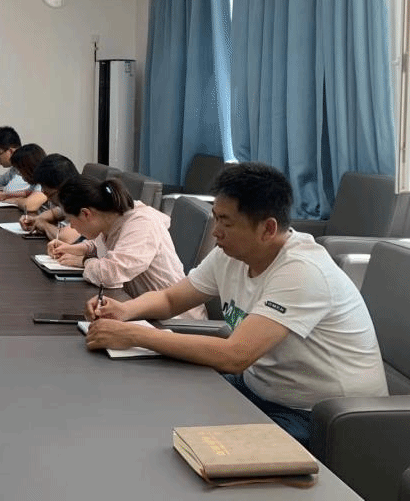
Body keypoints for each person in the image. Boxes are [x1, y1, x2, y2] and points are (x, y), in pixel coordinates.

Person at [83, 162, 387, 446]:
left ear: (267, 229)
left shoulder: (302, 271)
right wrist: (124, 310)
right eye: (215, 217)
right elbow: (170, 299)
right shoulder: (230, 254)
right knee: (160, 407)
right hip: (257, 389)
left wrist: (136, 335)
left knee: (198, 444)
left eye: (226, 222)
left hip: (319, 416)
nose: (215, 231)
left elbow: (235, 355)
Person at [52, 176, 202, 320]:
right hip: (141, 311)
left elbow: (110, 274)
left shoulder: (141, 224)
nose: (72, 226)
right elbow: (104, 245)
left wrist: (85, 261)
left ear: (86, 213)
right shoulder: (113, 219)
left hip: (174, 319)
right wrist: (79, 249)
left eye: (70, 220)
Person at [22, 153, 81, 243]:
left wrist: (44, 225)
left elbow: (66, 238)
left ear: (61, 188)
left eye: (49, 194)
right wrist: (36, 220)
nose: (48, 199)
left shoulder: (83, 201)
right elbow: (54, 213)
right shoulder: (70, 198)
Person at [0, 143, 47, 212]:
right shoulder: (37, 182)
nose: (21, 176)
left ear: (29, 168)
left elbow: (29, 205)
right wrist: (5, 195)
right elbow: (27, 192)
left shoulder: (45, 183)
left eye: (21, 171)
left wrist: (15, 201)